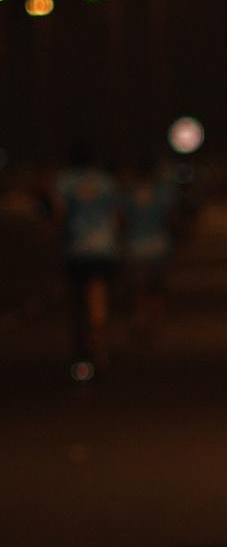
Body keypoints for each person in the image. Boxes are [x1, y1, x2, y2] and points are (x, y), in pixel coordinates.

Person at [51, 137, 122, 381]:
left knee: (77, 300)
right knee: (98, 296)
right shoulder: (106, 182)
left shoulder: (65, 182)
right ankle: (99, 347)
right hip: (103, 248)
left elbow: (60, 215)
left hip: (77, 249)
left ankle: (82, 347)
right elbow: (115, 215)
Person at [120, 154, 179, 341]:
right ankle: (154, 323)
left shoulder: (130, 193)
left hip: (136, 246)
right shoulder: (162, 193)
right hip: (158, 246)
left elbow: (122, 219)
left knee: (139, 288)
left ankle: (140, 317)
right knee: (157, 288)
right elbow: (171, 219)